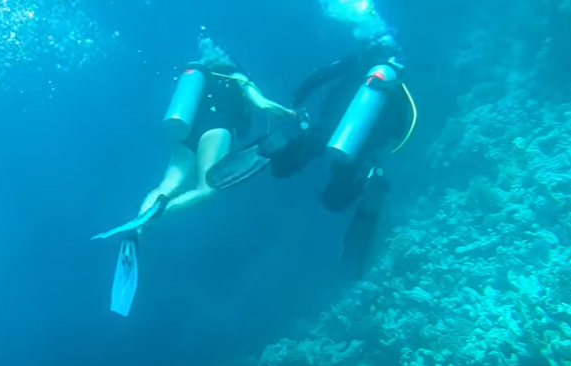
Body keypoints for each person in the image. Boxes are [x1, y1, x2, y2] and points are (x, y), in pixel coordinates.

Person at [207, 28, 416, 279]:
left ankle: (275, 145)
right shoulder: (396, 82)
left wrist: (298, 98)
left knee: (285, 166)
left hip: (326, 128)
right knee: (334, 200)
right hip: (360, 148)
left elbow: (319, 76)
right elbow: (402, 128)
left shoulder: (357, 60)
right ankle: (373, 185)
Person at [91, 33, 296, 241]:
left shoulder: (201, 76)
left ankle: (137, 225)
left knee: (167, 185)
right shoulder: (236, 76)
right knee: (206, 190)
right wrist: (288, 113)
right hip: (217, 127)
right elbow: (262, 104)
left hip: (187, 129)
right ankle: (155, 216)